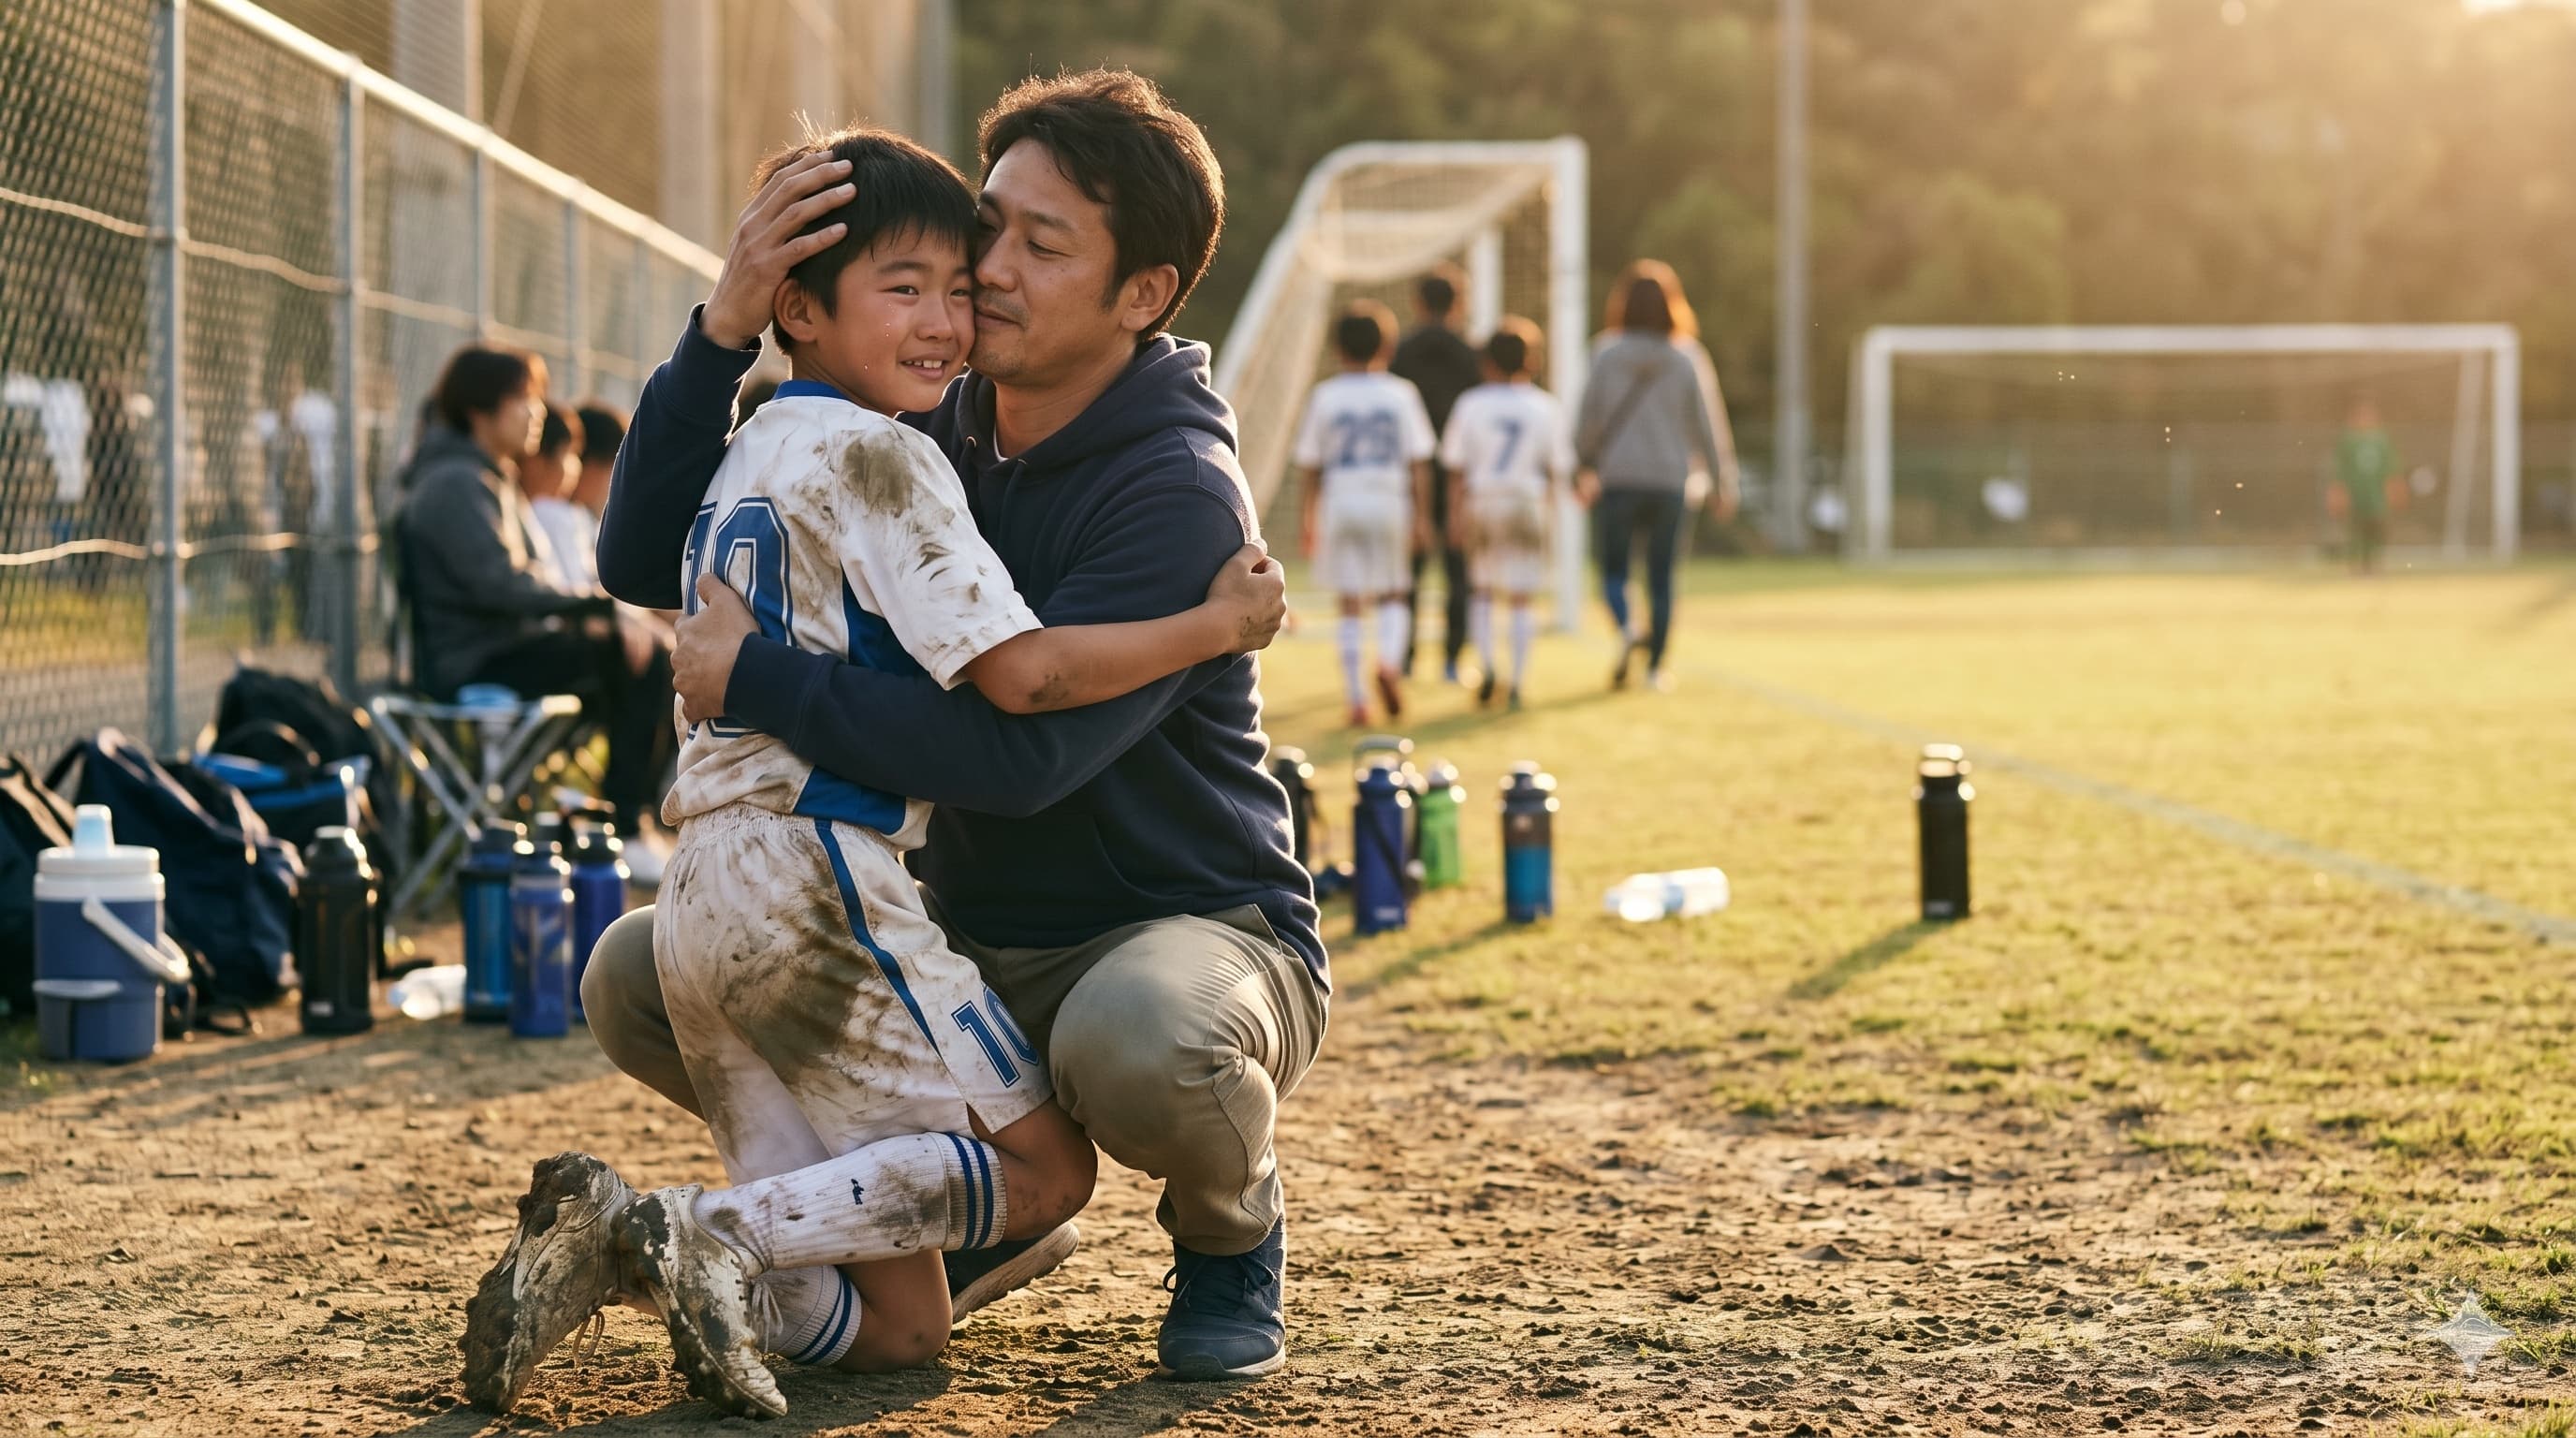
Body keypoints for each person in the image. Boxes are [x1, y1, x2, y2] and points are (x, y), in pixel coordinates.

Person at [477, 68, 1325, 1401]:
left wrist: (761, 680)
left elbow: (1021, 756)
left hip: (1162, 923)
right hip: (948, 916)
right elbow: (645, 558)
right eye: (986, 226)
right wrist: (721, 333)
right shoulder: (915, 401)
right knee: (633, 973)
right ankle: (921, 1233)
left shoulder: (1175, 490)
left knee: (1145, 1042)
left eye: (1041, 247)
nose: (982, 272)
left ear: (1142, 295)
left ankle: (1231, 1230)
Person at [392, 346, 675, 855]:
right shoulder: (456, 481)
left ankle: (611, 817)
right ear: (481, 409)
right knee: (637, 656)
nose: (537, 413)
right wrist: (597, 609)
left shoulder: (482, 475)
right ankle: (627, 827)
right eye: (523, 399)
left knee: (639, 652)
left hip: (500, 652)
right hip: (474, 665)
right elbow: (501, 585)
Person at [1575, 260, 1738, 692]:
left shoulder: (1605, 353)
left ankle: (1628, 628)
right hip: (1671, 480)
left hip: (1619, 478)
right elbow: (1708, 425)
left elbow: (1588, 418)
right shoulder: (1686, 356)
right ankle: (1654, 670)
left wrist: (1582, 463)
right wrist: (1724, 481)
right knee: (1662, 577)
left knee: (1613, 569)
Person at [1294, 300, 1437, 726]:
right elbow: (1418, 462)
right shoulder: (1401, 393)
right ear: (1387, 347)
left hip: (1342, 499)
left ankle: (1357, 699)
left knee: (1350, 602)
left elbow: (1311, 464)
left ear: (1338, 348)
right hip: (1388, 499)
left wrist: (1308, 517)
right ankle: (1389, 664)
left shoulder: (1326, 396)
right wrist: (1423, 517)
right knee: (1393, 592)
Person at [1440, 316, 1568, 711]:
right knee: (1520, 598)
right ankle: (1517, 678)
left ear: (1487, 362)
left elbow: (1456, 468)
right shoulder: (1545, 406)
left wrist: (1455, 516)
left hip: (1484, 500)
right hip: (1526, 500)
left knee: (1482, 590)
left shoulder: (1472, 403)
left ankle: (1488, 666)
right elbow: (1557, 468)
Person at [1388, 265, 1483, 682]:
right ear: (1459, 303)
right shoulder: (1470, 354)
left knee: (1409, 570)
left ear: (1418, 302)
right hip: (1459, 473)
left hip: (1410, 474)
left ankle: (1403, 659)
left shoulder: (1401, 353)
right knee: (1459, 570)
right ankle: (1451, 659)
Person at [516, 402, 585, 592]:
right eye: (567, 453)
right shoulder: (544, 514)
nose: (574, 468)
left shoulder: (529, 511)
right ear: (535, 459)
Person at [2334, 395, 2397, 574]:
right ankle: (2356, 566)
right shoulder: (2348, 440)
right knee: (2356, 530)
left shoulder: (2382, 440)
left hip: (2376, 495)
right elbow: (2339, 471)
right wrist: (2339, 493)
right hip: (2356, 494)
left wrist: (2394, 492)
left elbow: (2391, 469)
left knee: (2376, 529)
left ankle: (2376, 565)